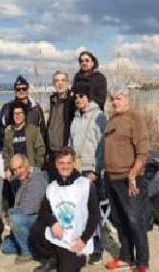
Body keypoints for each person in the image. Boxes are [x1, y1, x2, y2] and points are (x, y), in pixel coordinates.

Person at [30, 146, 101, 272]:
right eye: (61, 163)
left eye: (68, 163)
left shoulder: (85, 185)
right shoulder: (52, 187)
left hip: (77, 239)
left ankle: (80, 259)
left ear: (73, 163)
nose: (65, 166)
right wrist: (53, 222)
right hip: (60, 235)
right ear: (56, 164)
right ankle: (52, 258)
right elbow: (43, 211)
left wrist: (84, 239)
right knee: (36, 229)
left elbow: (95, 215)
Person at [103, 83, 150, 272]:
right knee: (119, 220)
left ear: (128, 99)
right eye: (112, 99)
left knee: (135, 221)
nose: (115, 102)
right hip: (111, 178)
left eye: (118, 98)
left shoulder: (135, 119)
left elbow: (143, 151)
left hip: (129, 179)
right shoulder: (112, 120)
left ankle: (142, 263)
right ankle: (126, 257)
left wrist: (133, 174)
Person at [69, 81, 107, 265]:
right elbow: (70, 143)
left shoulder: (99, 116)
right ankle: (82, 244)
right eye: (75, 96)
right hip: (75, 169)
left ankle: (98, 247)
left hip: (91, 170)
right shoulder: (76, 118)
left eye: (81, 96)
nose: (78, 99)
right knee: (78, 210)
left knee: (93, 211)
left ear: (88, 97)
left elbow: (103, 147)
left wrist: (96, 171)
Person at [1, 154, 48, 264]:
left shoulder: (37, 180)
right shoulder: (22, 179)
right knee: (6, 247)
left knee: (15, 219)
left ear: (27, 165)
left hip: (39, 220)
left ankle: (27, 252)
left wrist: (11, 214)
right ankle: (28, 244)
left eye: (20, 167)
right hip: (28, 218)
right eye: (14, 169)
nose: (17, 172)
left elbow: (29, 209)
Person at [0, 75, 47, 146]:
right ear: (14, 91)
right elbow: (0, 129)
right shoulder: (7, 108)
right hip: (14, 152)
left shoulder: (36, 108)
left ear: (28, 89)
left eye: (24, 88)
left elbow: (42, 131)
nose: (21, 91)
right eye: (18, 89)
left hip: (33, 151)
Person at [3, 102, 46, 172]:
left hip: (31, 169)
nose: (17, 116)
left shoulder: (33, 130)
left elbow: (40, 149)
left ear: (24, 115)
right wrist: (7, 168)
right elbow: (6, 153)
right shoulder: (9, 133)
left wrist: (37, 166)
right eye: (15, 114)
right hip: (16, 170)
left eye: (20, 113)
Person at [46, 70, 76, 171]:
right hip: (52, 152)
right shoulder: (53, 100)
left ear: (67, 83)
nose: (60, 83)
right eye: (57, 81)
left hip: (65, 152)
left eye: (63, 80)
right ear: (54, 83)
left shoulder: (72, 101)